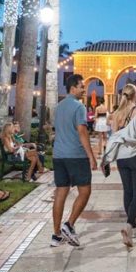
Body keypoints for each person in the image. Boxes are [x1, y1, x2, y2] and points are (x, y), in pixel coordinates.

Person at [102, 83, 136, 247]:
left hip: (122, 158)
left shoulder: (116, 115)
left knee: (128, 191)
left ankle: (132, 226)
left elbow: (113, 137)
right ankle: (128, 224)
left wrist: (106, 158)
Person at [51, 73, 96, 247]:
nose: (84, 90)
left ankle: (56, 235)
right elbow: (82, 132)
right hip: (75, 155)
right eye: (82, 86)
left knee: (60, 193)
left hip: (58, 155)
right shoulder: (79, 107)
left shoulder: (59, 106)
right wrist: (91, 156)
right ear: (73, 88)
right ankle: (68, 225)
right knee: (85, 192)